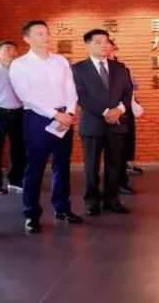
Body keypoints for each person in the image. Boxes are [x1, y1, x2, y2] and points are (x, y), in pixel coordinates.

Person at [9, 20, 83, 234]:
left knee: (62, 164)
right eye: (39, 34)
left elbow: (70, 88)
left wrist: (70, 112)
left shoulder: (60, 61)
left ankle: (62, 208)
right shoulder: (20, 64)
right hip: (37, 119)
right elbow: (26, 96)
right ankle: (31, 215)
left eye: (46, 33)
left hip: (64, 117)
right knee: (35, 167)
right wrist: (55, 114)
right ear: (27, 39)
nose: (45, 37)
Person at [72, 29, 132, 215]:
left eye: (106, 41)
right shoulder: (78, 69)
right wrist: (106, 112)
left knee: (114, 164)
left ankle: (111, 199)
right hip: (92, 124)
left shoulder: (120, 68)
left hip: (117, 124)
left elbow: (128, 93)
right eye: (98, 42)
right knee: (91, 165)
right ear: (88, 45)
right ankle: (92, 200)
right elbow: (81, 96)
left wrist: (119, 110)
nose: (103, 45)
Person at [107, 39, 141, 195]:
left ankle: (121, 183)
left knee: (122, 151)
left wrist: (123, 108)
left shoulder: (123, 69)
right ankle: (107, 187)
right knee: (109, 154)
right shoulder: (95, 69)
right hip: (104, 115)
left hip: (124, 113)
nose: (108, 51)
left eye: (111, 48)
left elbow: (129, 90)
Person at [0, 40, 26, 195]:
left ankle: (15, 181)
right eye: (7, 49)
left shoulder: (19, 70)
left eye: (14, 49)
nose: (11, 52)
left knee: (19, 149)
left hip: (19, 113)